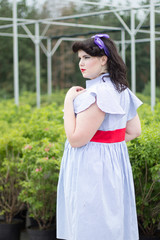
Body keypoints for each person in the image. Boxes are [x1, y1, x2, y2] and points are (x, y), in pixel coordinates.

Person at [56, 33, 142, 240]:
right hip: (111, 166)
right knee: (109, 224)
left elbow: (76, 139)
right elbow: (133, 131)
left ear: (104, 59)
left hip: (92, 167)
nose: (81, 63)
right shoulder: (120, 89)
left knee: (91, 225)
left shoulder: (97, 94)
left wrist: (68, 100)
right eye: (80, 59)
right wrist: (107, 142)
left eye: (87, 57)